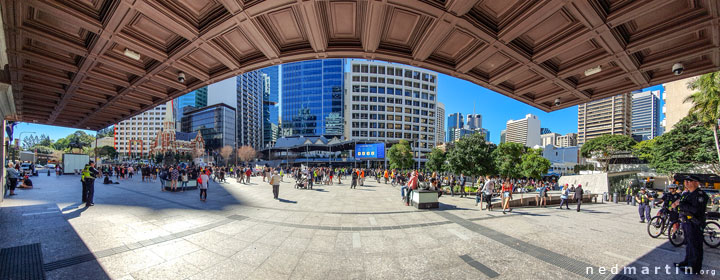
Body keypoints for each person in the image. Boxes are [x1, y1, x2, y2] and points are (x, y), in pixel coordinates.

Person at [673, 175, 709, 274]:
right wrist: (676, 206)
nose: (686, 183)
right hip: (686, 223)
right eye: (686, 181)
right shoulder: (687, 194)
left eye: (689, 181)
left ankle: (694, 267)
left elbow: (695, 210)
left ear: (696, 183)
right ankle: (687, 262)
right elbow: (681, 207)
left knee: (695, 245)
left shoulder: (700, 195)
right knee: (689, 244)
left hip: (695, 223)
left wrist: (680, 205)